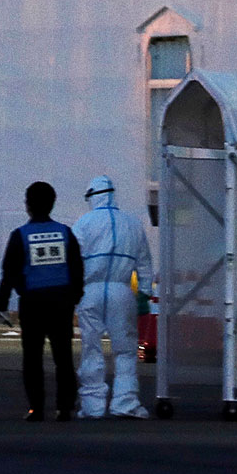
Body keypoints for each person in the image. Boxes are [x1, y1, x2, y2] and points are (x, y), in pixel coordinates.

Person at [0, 181, 84, 421]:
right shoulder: (65, 232)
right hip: (61, 302)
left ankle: (36, 408)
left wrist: (1, 304)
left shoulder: (20, 235)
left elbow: (9, 273)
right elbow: (77, 269)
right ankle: (64, 407)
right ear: (53, 203)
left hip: (33, 302)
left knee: (32, 357)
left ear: (28, 206)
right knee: (63, 356)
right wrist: (74, 297)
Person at [73, 174, 155, 419]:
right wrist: (145, 292)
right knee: (126, 350)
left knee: (91, 348)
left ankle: (92, 406)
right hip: (122, 291)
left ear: (91, 196)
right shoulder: (132, 223)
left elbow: (73, 260)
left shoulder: (83, 223)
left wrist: (72, 291)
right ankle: (125, 402)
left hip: (90, 291)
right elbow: (144, 263)